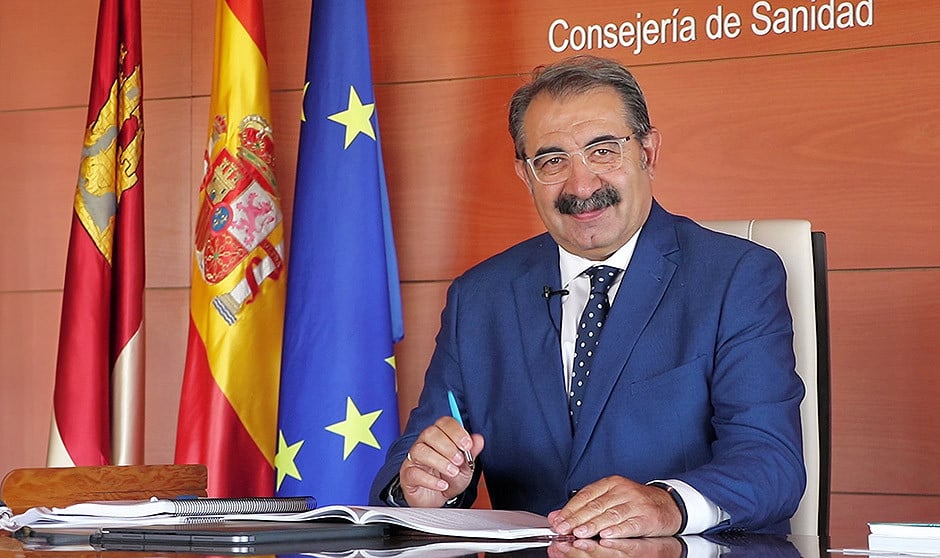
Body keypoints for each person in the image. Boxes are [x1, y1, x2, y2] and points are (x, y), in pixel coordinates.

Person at [370, 55, 805, 538]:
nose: (581, 185)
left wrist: (668, 505)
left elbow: (772, 463)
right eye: (552, 161)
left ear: (647, 152)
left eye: (603, 151)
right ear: (524, 174)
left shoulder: (738, 276)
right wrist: (423, 488)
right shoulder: (479, 298)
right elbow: (414, 459)